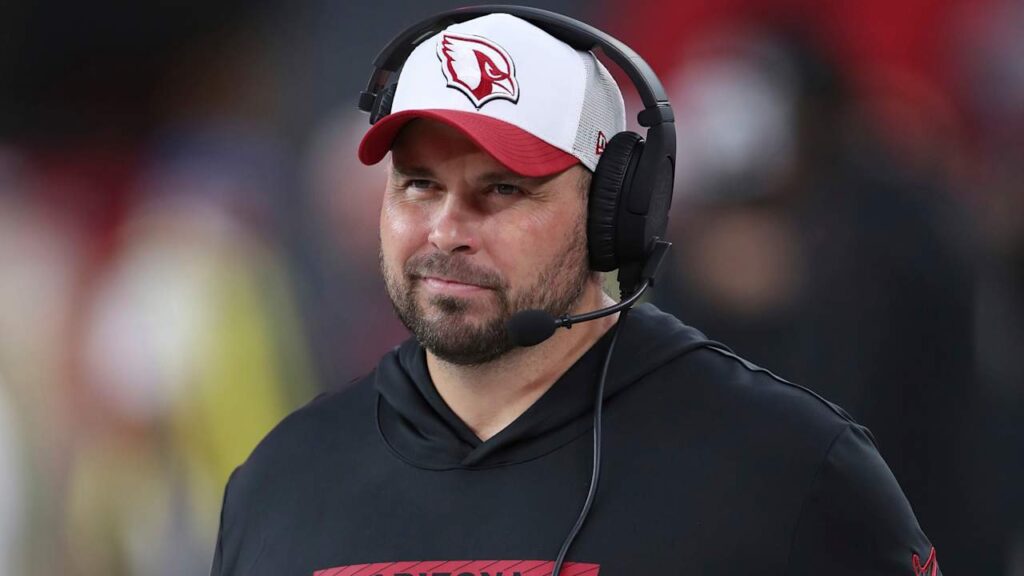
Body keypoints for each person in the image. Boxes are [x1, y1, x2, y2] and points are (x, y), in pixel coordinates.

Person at [211, 10, 941, 576]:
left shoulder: (792, 469)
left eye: (502, 190)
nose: (446, 231)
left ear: (610, 214)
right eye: (420, 185)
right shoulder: (281, 481)